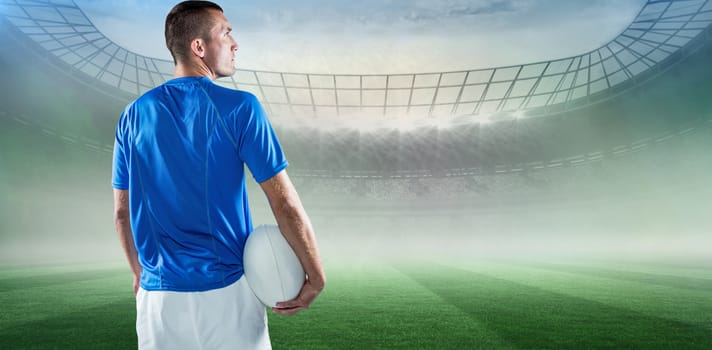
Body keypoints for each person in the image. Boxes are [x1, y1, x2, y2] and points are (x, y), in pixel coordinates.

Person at [111, 1, 325, 349]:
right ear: (199, 47)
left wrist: (140, 273)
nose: (234, 43)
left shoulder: (132, 116)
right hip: (227, 295)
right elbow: (283, 202)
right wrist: (315, 274)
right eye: (226, 33)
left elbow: (122, 213)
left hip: (157, 301)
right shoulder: (241, 108)